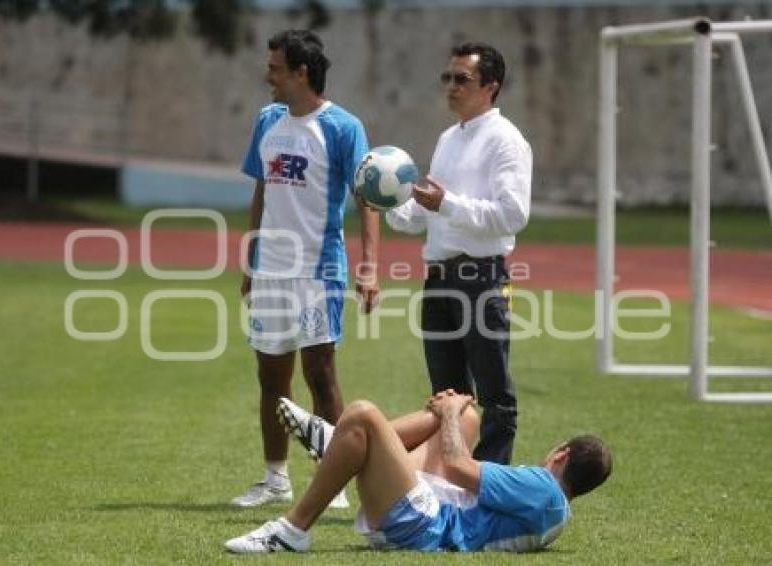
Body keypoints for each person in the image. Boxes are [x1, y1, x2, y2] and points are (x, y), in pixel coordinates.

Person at [232, 29, 380, 509]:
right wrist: (251, 259)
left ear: (301, 73)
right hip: (271, 269)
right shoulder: (268, 120)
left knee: (320, 374)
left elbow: (367, 200)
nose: (267, 75)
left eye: (275, 67)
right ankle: (275, 480)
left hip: (318, 271)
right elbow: (262, 190)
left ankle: (331, 479)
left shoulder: (342, 127)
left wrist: (370, 268)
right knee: (271, 376)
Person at [225, 392, 612, 553]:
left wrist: (445, 412)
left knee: (361, 414)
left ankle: (293, 531)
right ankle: (336, 442)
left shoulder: (544, 490)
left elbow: (460, 468)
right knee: (469, 418)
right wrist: (453, 413)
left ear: (561, 454)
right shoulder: (552, 507)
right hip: (434, 512)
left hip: (424, 524)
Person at [386, 42, 532, 464]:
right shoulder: (448, 138)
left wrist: (446, 204)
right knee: (446, 396)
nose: (450, 86)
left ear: (491, 86)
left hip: (481, 278)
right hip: (438, 279)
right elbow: (422, 217)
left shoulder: (507, 141)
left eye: (461, 79)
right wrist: (386, 198)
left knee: (494, 394)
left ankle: (488, 486)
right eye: (447, 78)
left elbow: (512, 215)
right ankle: (448, 484)